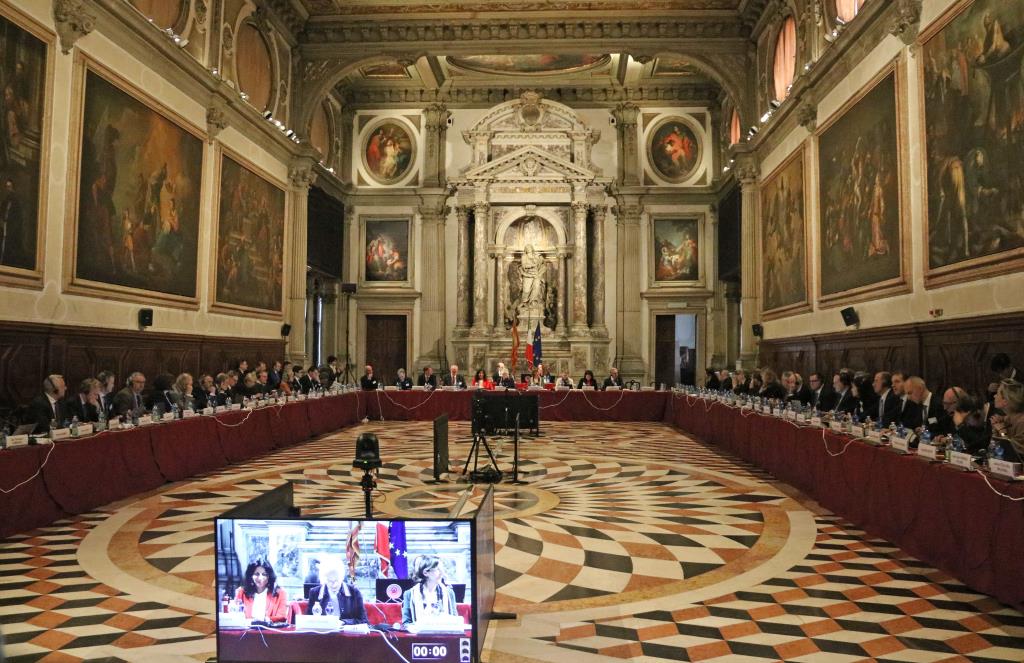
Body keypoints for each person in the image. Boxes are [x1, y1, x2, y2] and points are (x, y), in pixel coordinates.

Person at [401, 555, 459, 627]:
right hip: (419, 636)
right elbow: (406, 623)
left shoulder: (449, 593)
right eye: (438, 569)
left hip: (443, 636)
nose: (442, 573)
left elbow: (455, 621)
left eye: (442, 569)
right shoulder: (409, 594)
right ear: (425, 573)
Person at [307, 559, 367, 624]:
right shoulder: (314, 592)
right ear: (324, 579)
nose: (334, 585)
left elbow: (363, 620)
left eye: (337, 580)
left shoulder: (354, 592)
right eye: (330, 581)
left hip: (346, 633)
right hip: (323, 632)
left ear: (342, 578)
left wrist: (344, 622)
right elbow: (309, 620)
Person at [234, 559, 289, 623]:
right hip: (247, 631)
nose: (260, 578)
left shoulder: (280, 593)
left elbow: (282, 617)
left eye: (264, 574)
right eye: (256, 574)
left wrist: (266, 620)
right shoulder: (241, 592)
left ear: (269, 576)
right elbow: (235, 615)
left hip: (269, 631)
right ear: (250, 576)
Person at [991, 379, 1024, 451]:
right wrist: (995, 430)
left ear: (1005, 401)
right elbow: (994, 449)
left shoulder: (1022, 422)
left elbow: (1015, 453)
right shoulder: (1005, 419)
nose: (994, 396)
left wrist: (1002, 431)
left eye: (997, 393)